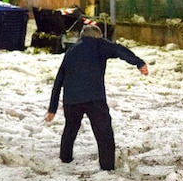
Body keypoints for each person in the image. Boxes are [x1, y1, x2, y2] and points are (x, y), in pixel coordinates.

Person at [45, 24, 149, 170]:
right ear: (98, 36)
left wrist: (52, 108)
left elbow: (59, 80)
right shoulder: (99, 44)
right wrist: (138, 62)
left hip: (71, 99)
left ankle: (65, 160)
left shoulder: (71, 50)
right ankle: (107, 167)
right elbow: (118, 49)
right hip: (94, 98)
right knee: (104, 131)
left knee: (70, 128)